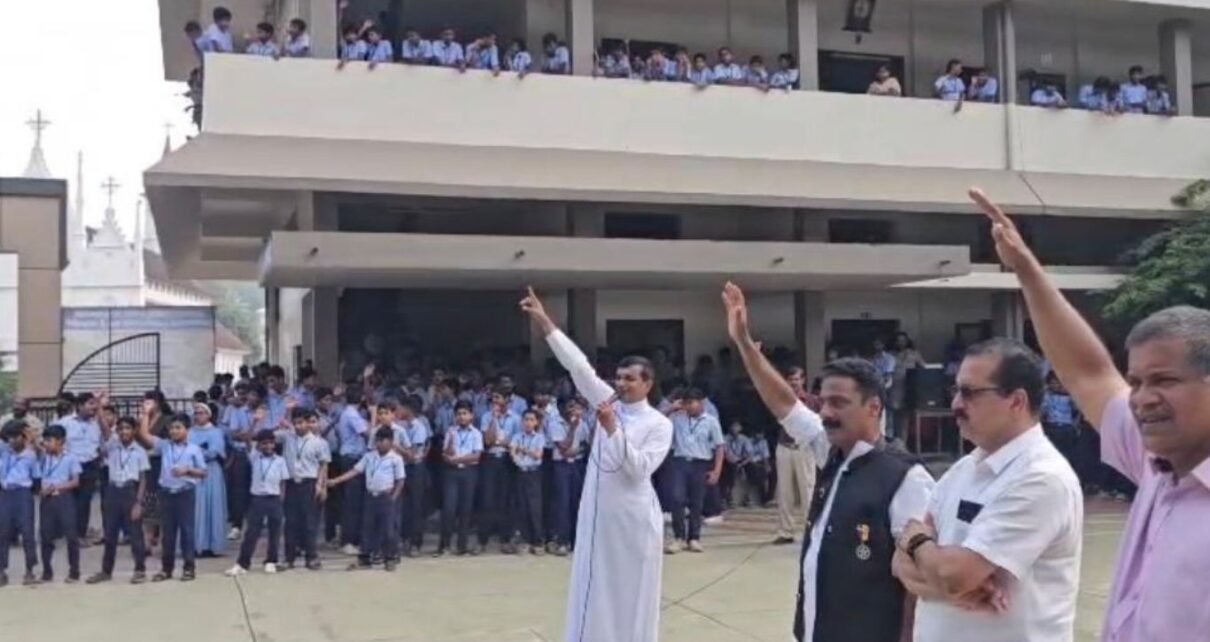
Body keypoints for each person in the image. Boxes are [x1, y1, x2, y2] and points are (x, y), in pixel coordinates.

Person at [967, 186, 1210, 642]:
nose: (1142, 398)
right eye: (1136, 382)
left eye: (1165, 380)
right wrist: (1025, 267)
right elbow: (1088, 373)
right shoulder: (1156, 463)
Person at [722, 281, 935, 642]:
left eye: (839, 403)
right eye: (823, 403)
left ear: (873, 408)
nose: (826, 413)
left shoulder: (906, 478)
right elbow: (784, 404)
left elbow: (919, 583)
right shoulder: (831, 452)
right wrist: (743, 342)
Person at [895, 337, 1082, 642]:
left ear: (1016, 402)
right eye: (956, 391)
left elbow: (954, 574)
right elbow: (901, 566)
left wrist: (915, 540)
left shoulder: (1041, 478)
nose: (956, 404)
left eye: (970, 393)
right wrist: (945, 578)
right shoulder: (963, 469)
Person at [520, 287, 673, 642]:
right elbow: (578, 366)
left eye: (630, 379)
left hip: (633, 519)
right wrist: (545, 322)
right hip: (598, 515)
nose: (621, 384)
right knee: (593, 587)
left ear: (647, 383)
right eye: (618, 378)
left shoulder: (659, 424)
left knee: (633, 591)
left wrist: (612, 429)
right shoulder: (608, 402)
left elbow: (638, 470)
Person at [328, 426, 406, 571]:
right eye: (377, 441)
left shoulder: (396, 459)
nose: (379, 444)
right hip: (371, 495)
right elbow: (355, 471)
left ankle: (390, 558)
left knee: (388, 529)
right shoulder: (369, 456)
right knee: (368, 527)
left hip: (385, 496)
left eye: (383, 441)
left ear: (390, 442)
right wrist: (336, 480)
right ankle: (365, 557)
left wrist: (393, 497)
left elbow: (400, 480)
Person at [87, 417, 150, 585]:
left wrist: (139, 503)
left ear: (134, 430)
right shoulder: (113, 447)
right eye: (120, 429)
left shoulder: (140, 451)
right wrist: (99, 409)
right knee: (110, 534)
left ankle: (140, 570)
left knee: (135, 534)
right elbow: (105, 429)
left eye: (127, 428)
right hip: (113, 490)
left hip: (130, 490)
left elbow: (143, 479)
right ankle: (106, 571)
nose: (124, 432)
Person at [664, 387, 724, 553]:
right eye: (686, 403)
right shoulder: (677, 419)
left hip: (701, 463)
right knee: (677, 499)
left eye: (691, 403)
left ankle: (694, 538)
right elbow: (656, 421)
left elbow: (719, 446)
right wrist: (671, 408)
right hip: (680, 462)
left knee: (697, 502)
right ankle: (679, 537)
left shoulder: (711, 421)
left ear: (701, 403)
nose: (688, 406)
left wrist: (717, 470)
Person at [225, 430, 288, 576]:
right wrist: (254, 423)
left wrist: (281, 499)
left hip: (274, 498)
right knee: (251, 533)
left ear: (274, 444)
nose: (268, 446)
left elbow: (283, 482)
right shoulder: (254, 457)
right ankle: (243, 564)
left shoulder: (280, 461)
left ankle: (271, 561)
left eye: (271, 443)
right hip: (257, 498)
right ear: (259, 445)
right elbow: (248, 440)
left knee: (275, 532)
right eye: (264, 443)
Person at [279, 408, 330, 570]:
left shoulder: (319, 442)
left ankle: (311, 556)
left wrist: (321, 485)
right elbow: (275, 429)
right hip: (292, 483)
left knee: (310, 522)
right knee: (290, 522)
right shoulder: (288, 437)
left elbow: (323, 465)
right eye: (295, 423)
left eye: (301, 423)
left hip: (309, 483)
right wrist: (287, 411)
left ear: (308, 423)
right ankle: (289, 558)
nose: (298, 426)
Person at [37, 424, 83, 583]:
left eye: (49, 440)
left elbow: (75, 481)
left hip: (64, 498)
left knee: (71, 536)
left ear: (60, 441)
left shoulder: (71, 458)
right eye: (45, 440)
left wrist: (56, 487)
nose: (46, 444)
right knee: (46, 536)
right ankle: (47, 570)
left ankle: (74, 571)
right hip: (47, 499)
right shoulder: (43, 457)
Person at [437, 401, 481, 557]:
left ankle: (462, 546)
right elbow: (445, 454)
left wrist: (457, 459)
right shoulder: (451, 431)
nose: (462, 417)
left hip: (469, 472)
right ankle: (444, 545)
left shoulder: (476, 433)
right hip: (452, 472)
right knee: (449, 508)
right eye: (459, 414)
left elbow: (476, 455)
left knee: (465, 509)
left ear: (471, 416)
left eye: (465, 413)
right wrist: (449, 449)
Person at [479, 388, 519, 553]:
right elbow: (488, 441)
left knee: (505, 499)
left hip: (507, 460)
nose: (494, 401)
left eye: (498, 397)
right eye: (493, 398)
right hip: (490, 459)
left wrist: (503, 443)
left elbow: (515, 443)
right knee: (487, 498)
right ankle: (482, 539)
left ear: (506, 400)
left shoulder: (515, 418)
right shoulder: (486, 416)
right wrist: (494, 419)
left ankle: (505, 539)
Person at [0, 421, 40, 586]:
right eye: (9, 437)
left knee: (27, 533)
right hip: (5, 493)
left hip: (23, 493)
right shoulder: (4, 451)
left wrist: (30, 436)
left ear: (23, 437)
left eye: (15, 437)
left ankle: (30, 570)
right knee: (3, 532)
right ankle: (1, 571)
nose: (12, 441)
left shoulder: (31, 455)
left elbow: (36, 477)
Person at [547, 397, 588, 555]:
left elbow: (585, 444)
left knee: (576, 502)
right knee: (562, 503)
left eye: (575, 406)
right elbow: (563, 446)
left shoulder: (581, 422)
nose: (573, 410)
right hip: (561, 466)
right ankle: (562, 541)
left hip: (576, 465)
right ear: (561, 408)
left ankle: (575, 540)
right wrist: (572, 428)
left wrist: (577, 451)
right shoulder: (555, 423)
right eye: (570, 406)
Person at [61, 393, 102, 541]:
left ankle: (80, 534)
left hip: (90, 466)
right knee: (68, 501)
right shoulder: (65, 423)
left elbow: (100, 444)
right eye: (90, 403)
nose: (94, 407)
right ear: (79, 406)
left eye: (95, 404)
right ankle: (65, 532)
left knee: (84, 502)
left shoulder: (96, 424)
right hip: (70, 467)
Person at [188, 404, 227, 557]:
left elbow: (214, 451)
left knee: (212, 505)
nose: (199, 416)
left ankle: (213, 545)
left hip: (211, 471)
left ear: (209, 415)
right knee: (196, 507)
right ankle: (197, 545)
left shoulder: (216, 432)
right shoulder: (190, 432)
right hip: (193, 471)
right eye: (196, 413)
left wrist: (197, 452)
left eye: (202, 413)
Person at [335, 386, 369, 554]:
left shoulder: (348, 413)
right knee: (352, 502)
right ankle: (347, 540)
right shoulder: (352, 414)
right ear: (361, 398)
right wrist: (374, 414)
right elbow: (367, 433)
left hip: (351, 457)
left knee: (355, 501)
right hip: (352, 457)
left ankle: (353, 539)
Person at [510, 409, 547, 555]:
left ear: (536, 422)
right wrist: (519, 457)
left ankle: (537, 540)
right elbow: (513, 453)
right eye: (526, 419)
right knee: (522, 505)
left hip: (534, 473)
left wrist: (523, 449)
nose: (528, 423)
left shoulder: (539, 437)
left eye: (532, 420)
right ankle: (524, 539)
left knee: (535, 506)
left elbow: (538, 455)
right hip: (521, 471)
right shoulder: (517, 436)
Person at [398, 397, 430, 556]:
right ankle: (404, 538)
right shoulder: (402, 425)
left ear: (408, 409)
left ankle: (416, 542)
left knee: (416, 506)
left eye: (401, 407)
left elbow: (412, 455)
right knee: (404, 506)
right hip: (404, 468)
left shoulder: (419, 427)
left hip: (416, 468)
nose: (399, 410)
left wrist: (396, 447)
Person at [223, 384, 254, 542]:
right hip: (241, 453)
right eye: (239, 393)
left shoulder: (264, 410)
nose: (242, 397)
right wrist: (248, 435)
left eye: (246, 393)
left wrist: (248, 435)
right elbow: (233, 433)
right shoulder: (235, 410)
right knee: (239, 491)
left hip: (261, 453)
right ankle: (237, 526)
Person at [890, 332, 926, 441]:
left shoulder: (914, 354)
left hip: (909, 388)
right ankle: (894, 442)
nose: (901, 343)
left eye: (903, 340)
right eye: (898, 340)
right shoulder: (891, 355)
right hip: (895, 388)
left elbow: (923, 368)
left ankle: (903, 443)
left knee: (905, 417)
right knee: (894, 418)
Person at [722, 421, 751, 507]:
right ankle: (728, 498)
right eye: (733, 426)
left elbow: (749, 455)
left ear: (740, 428)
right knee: (730, 471)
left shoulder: (745, 439)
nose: (735, 429)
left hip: (742, 461)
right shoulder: (725, 438)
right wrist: (734, 463)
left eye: (737, 426)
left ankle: (747, 498)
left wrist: (742, 464)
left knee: (752, 469)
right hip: (728, 461)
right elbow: (725, 453)